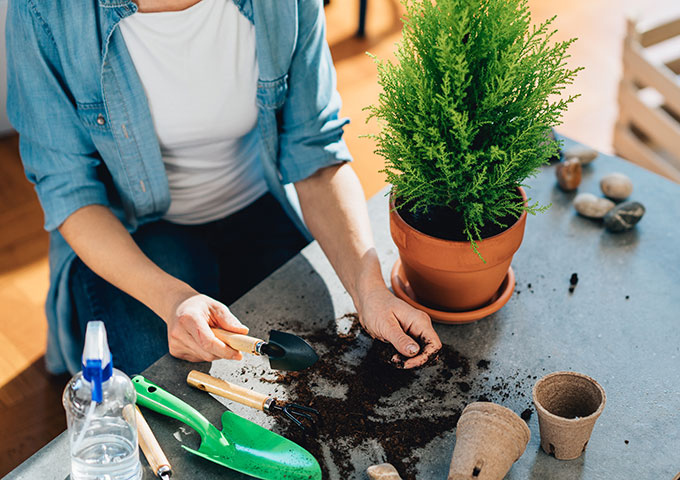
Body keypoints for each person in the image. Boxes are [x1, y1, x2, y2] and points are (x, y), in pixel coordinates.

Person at [7, 0, 442, 375]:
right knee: (174, 402)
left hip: (261, 205)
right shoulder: (44, 12)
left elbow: (316, 152)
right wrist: (173, 299)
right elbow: (70, 191)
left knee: (323, 368)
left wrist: (370, 290)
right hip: (134, 234)